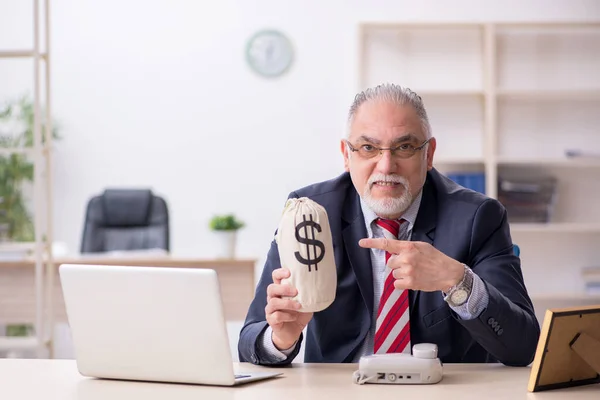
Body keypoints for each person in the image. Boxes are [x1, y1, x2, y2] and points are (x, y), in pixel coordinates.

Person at [238, 83, 540, 366]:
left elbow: (523, 346)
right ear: (347, 155)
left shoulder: (477, 217)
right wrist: (280, 338)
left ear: (429, 153)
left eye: (404, 147)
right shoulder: (309, 213)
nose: (386, 166)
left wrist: (457, 280)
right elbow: (250, 339)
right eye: (368, 148)